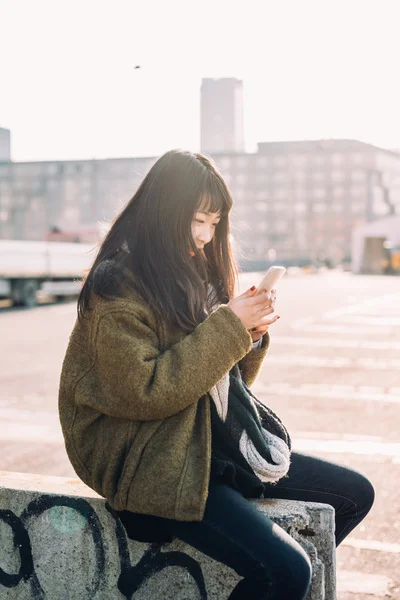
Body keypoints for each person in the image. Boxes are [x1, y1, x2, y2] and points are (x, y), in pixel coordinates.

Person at [58, 150, 374, 600]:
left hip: (200, 442)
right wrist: (228, 327)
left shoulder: (189, 277)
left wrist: (249, 334)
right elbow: (145, 391)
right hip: (146, 459)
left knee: (353, 493)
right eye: (197, 221)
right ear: (163, 214)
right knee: (286, 570)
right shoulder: (117, 285)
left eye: (215, 222)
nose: (207, 236)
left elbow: (218, 386)